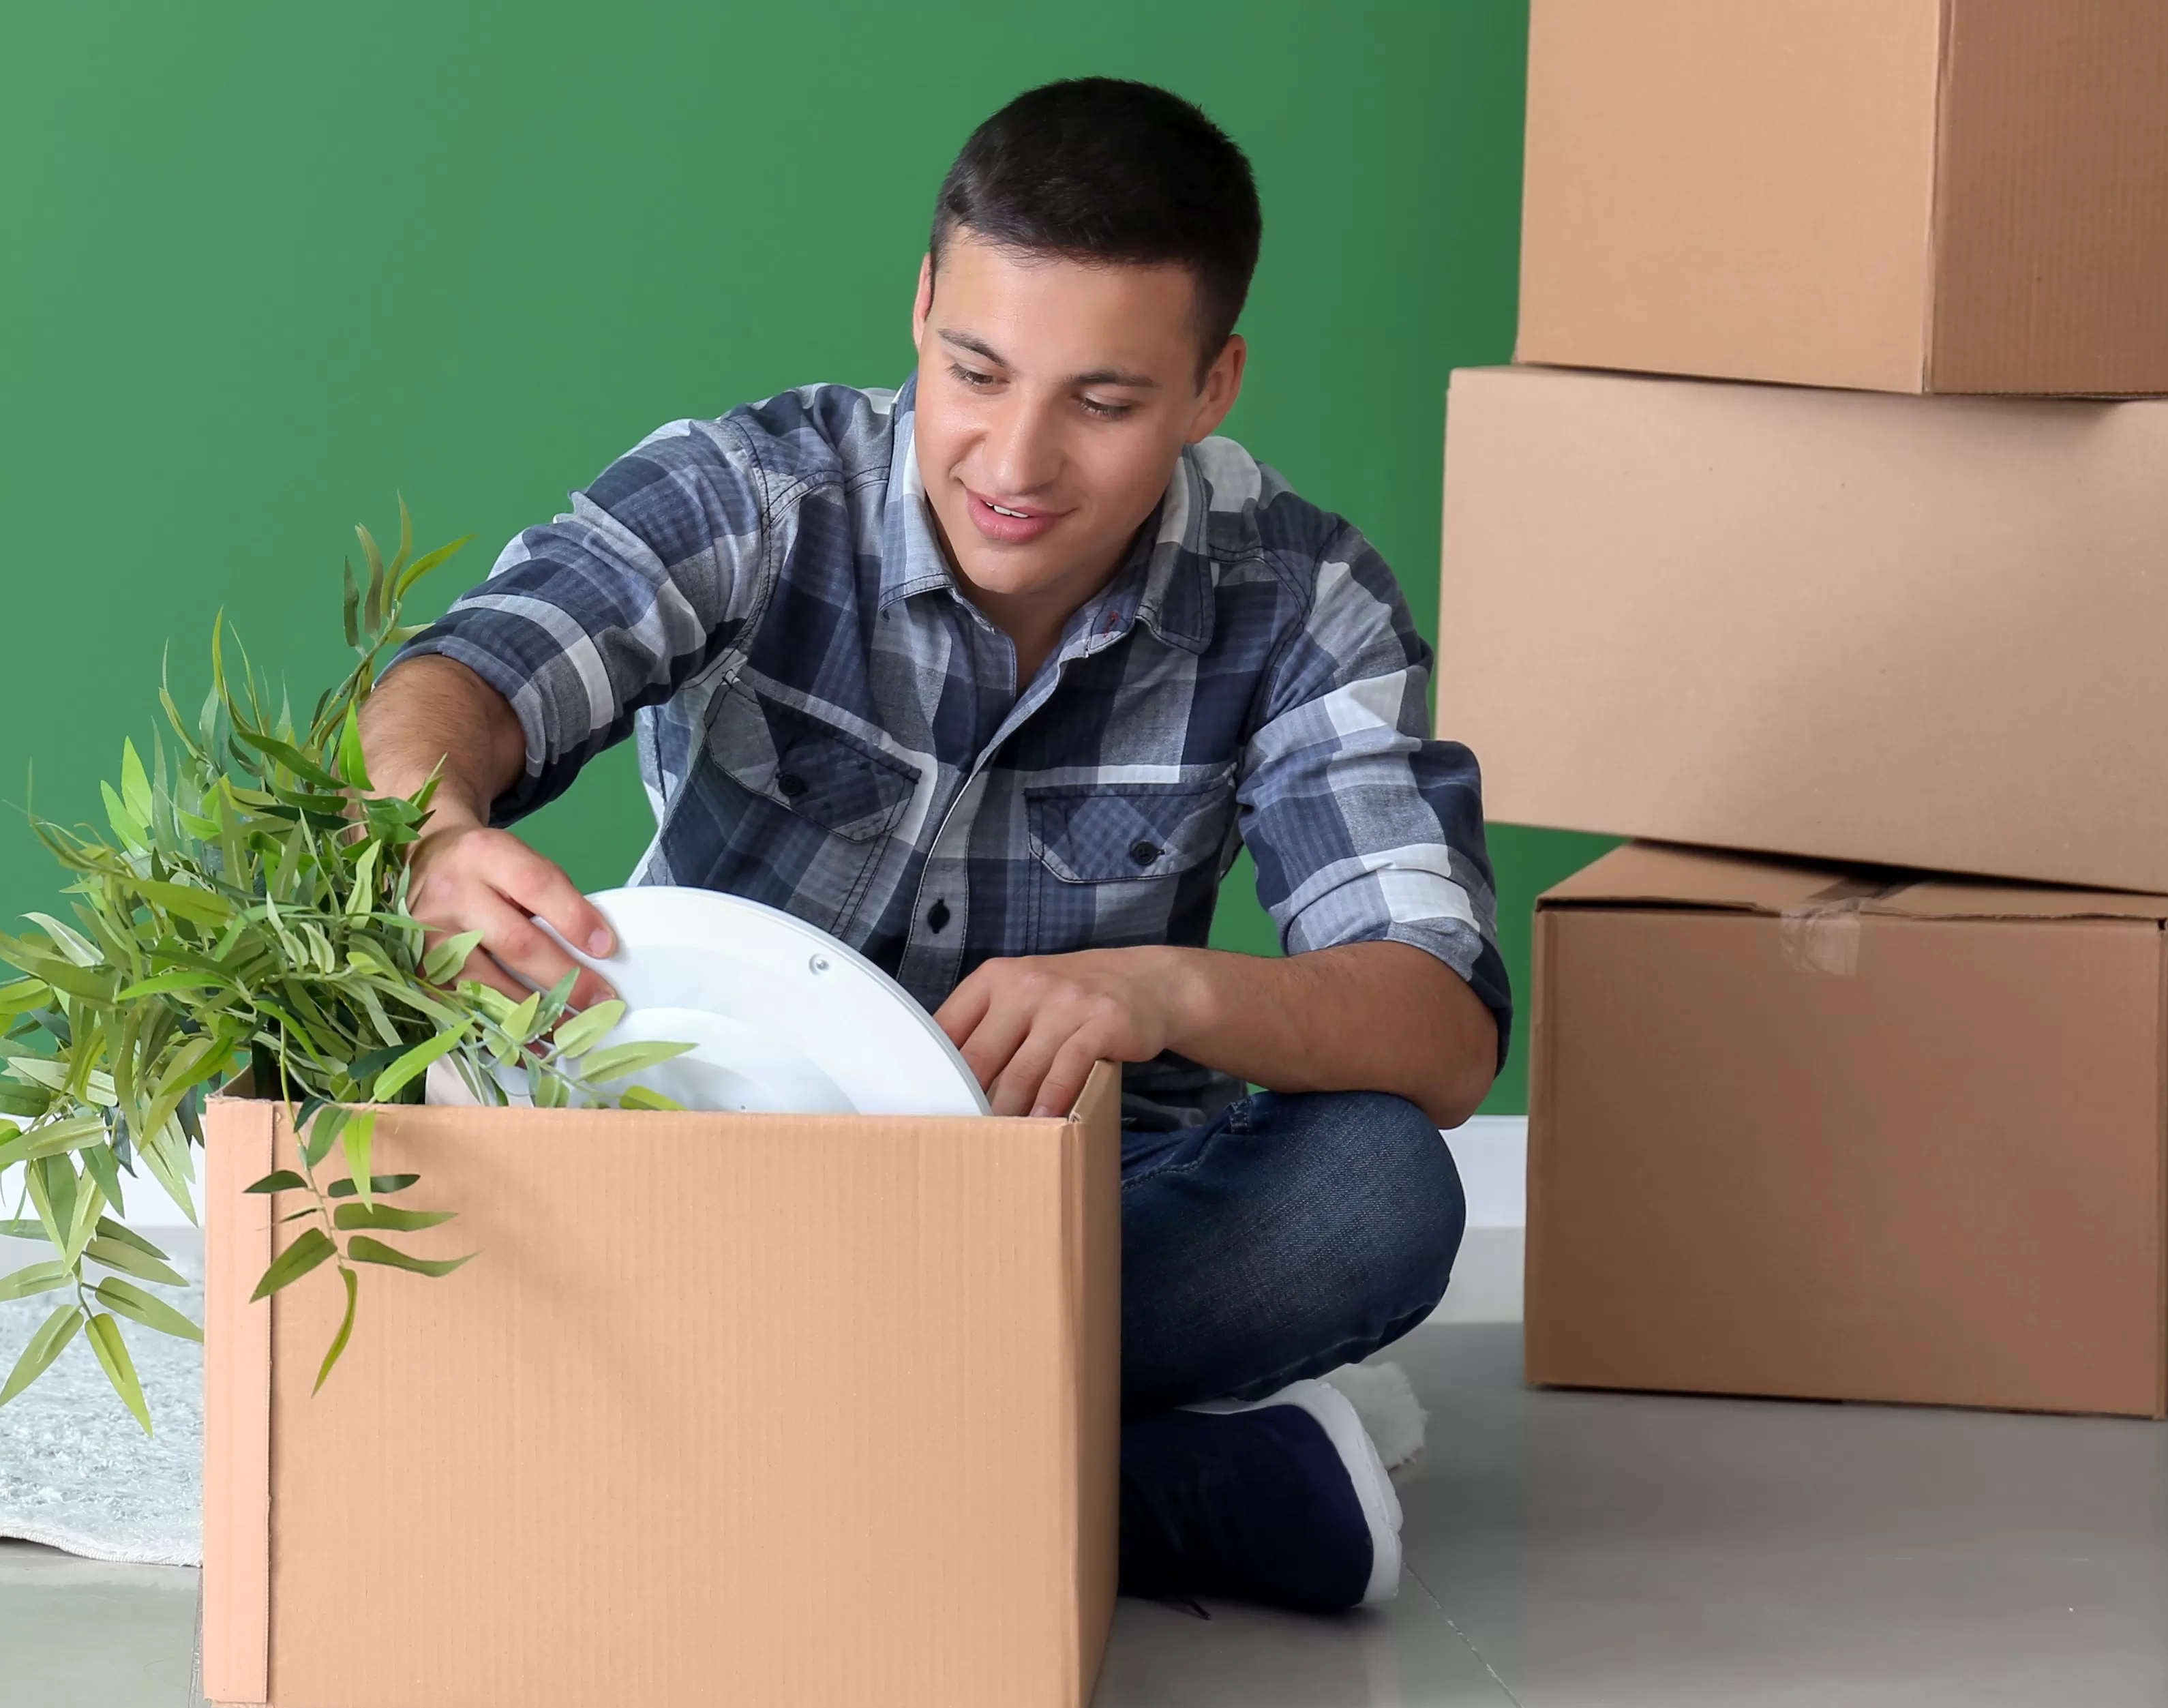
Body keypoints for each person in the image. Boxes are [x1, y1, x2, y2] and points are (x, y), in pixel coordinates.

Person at [362, 77, 1498, 1615]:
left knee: (1378, 1195)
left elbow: (1439, 1027)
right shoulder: (758, 493)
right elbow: (463, 676)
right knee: (328, 1095)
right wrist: (429, 831)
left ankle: (716, 1455)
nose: (1016, 465)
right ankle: (1114, 1499)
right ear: (919, 311)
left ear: (1213, 383)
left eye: (1102, 402)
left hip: (1060, 1220)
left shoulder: (1303, 600)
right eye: (977, 372)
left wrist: (1163, 992)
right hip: (697, 1160)